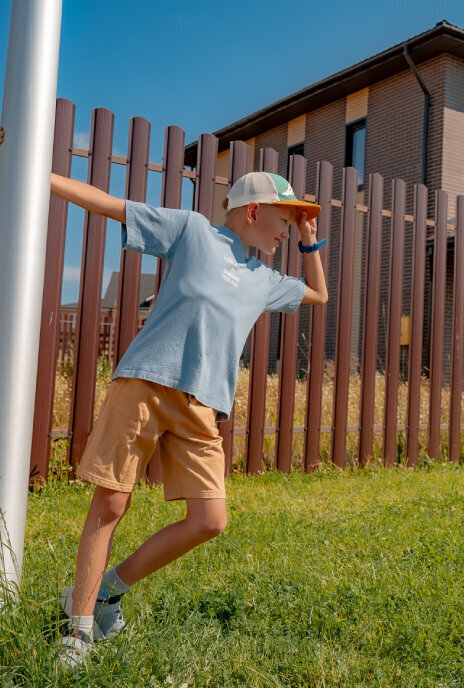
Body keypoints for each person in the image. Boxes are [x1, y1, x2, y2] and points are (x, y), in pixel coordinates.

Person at [0, 127, 330, 668]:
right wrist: (39, 175)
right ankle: (78, 631)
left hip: (202, 405)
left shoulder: (263, 278)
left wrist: (310, 239)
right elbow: (110, 204)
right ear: (252, 211)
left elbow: (317, 294)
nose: (289, 227)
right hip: (146, 382)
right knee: (110, 502)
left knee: (210, 519)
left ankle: (108, 590)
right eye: (287, 216)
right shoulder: (193, 231)